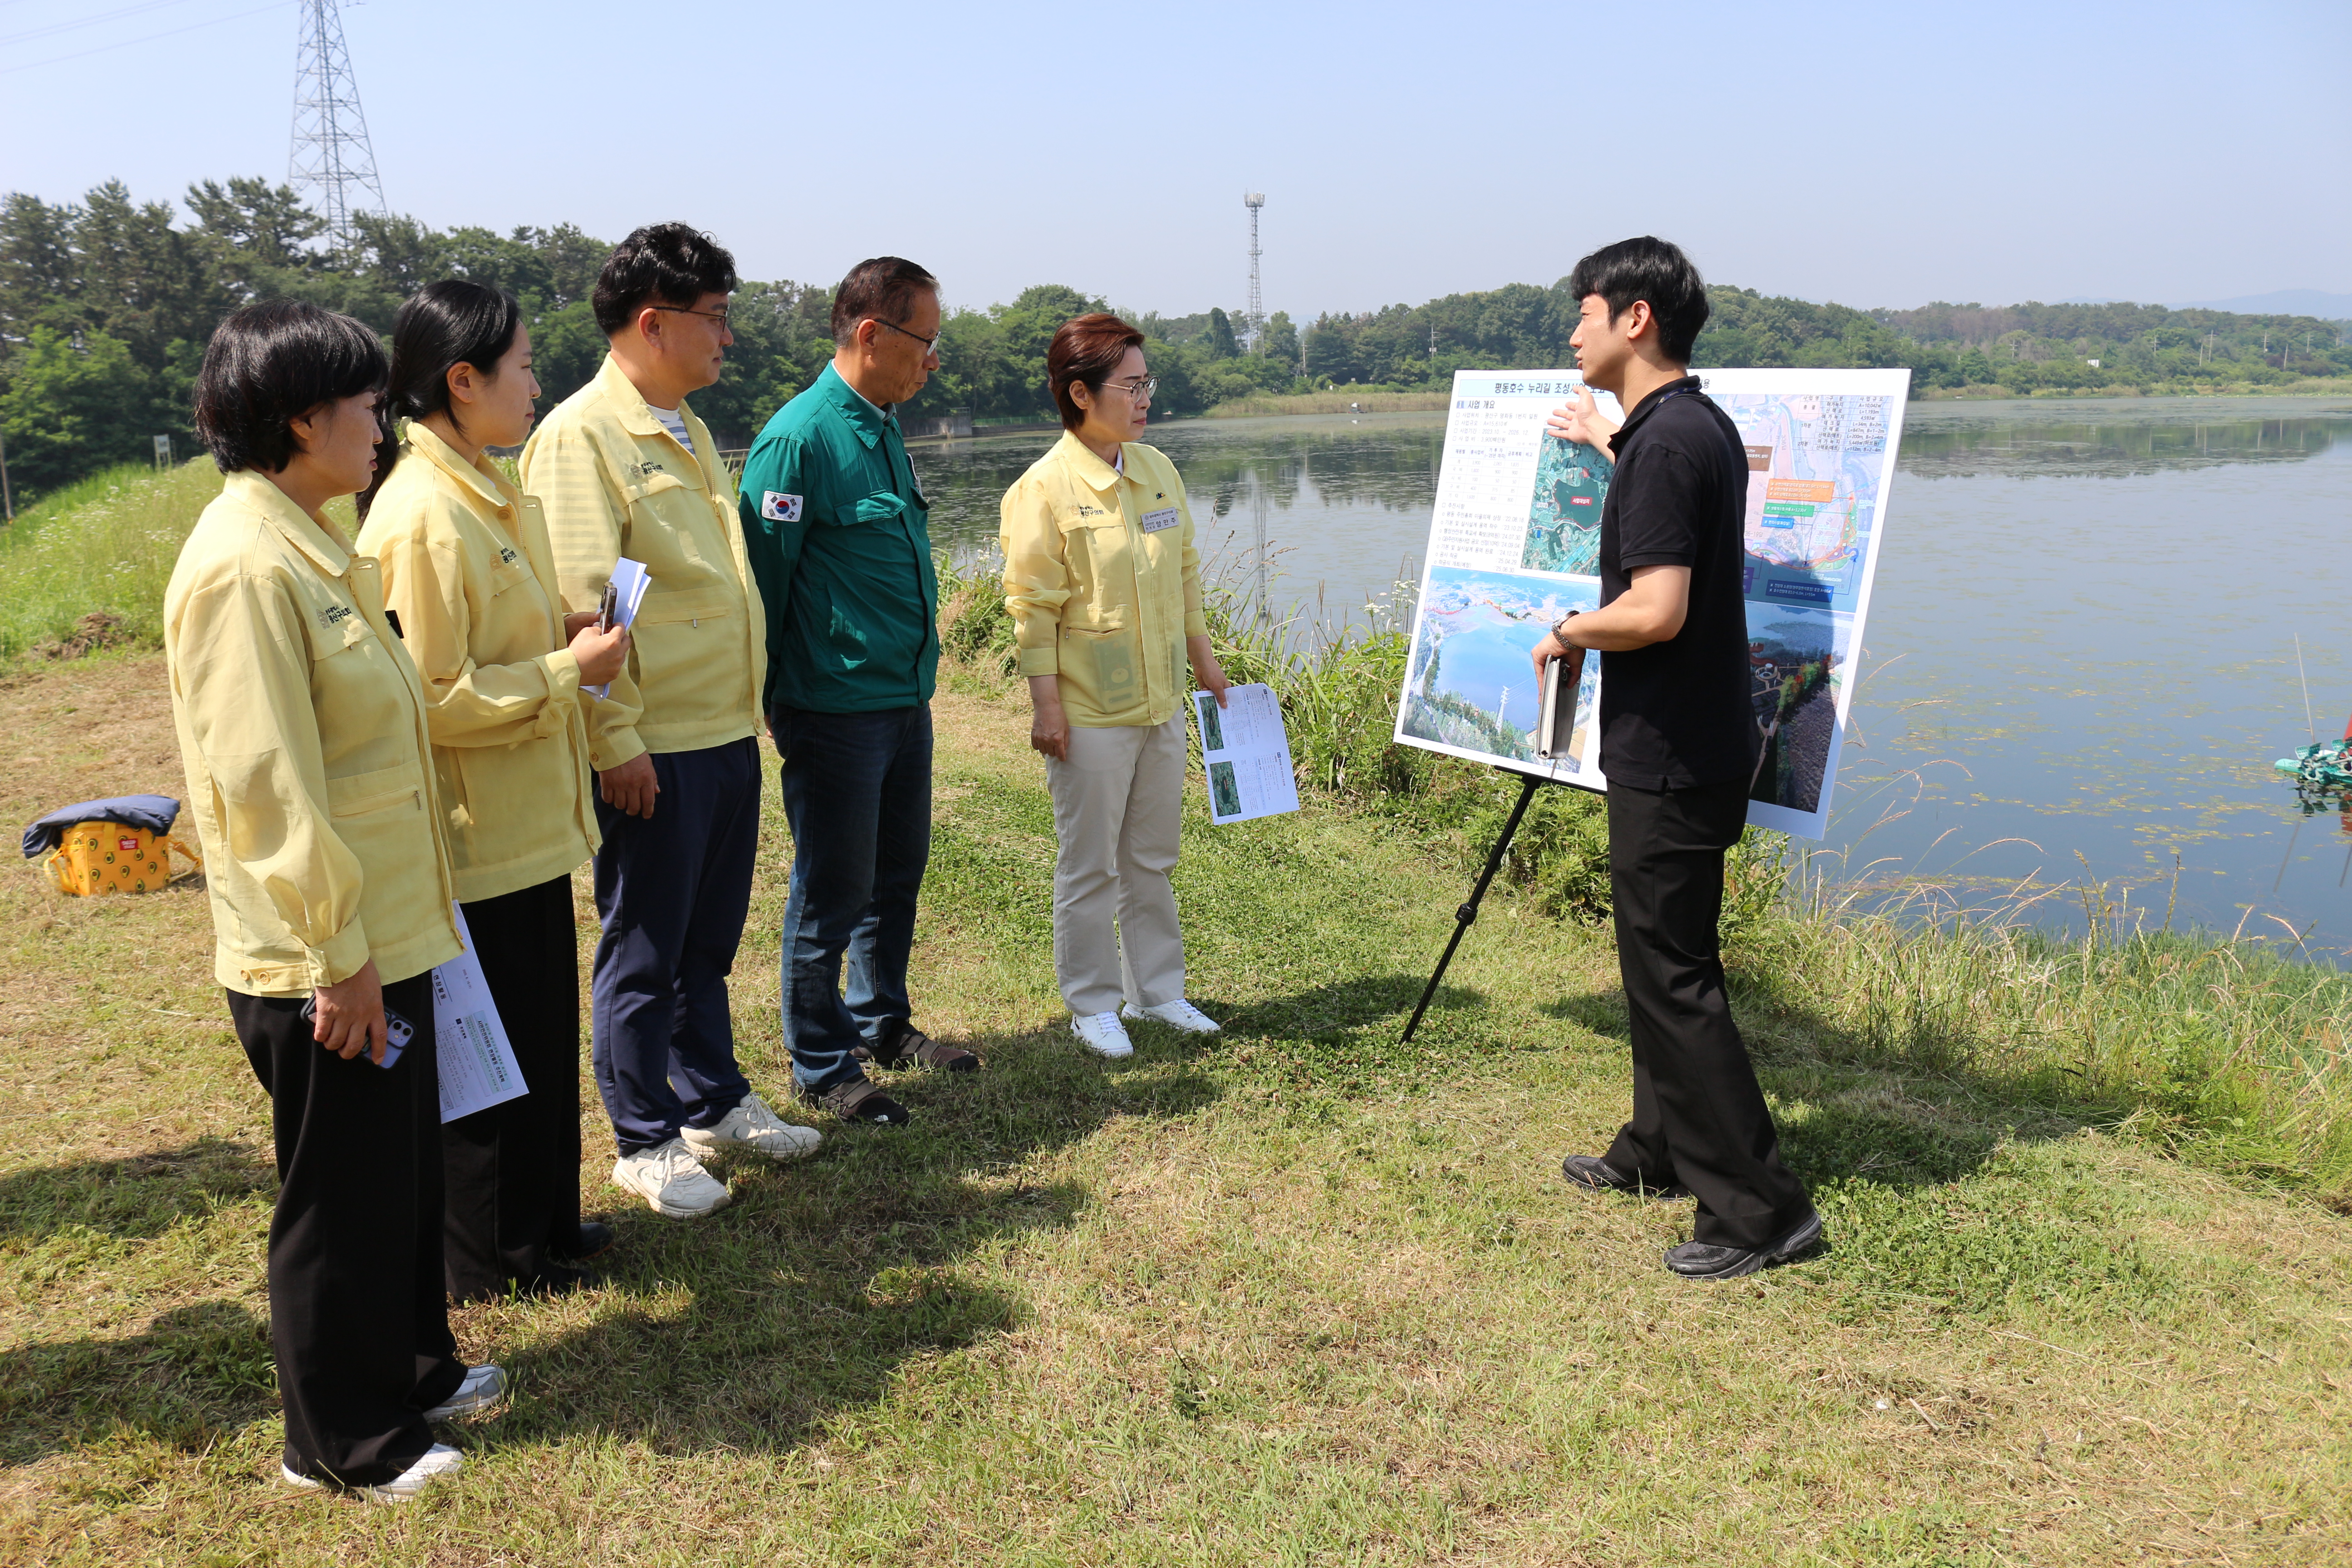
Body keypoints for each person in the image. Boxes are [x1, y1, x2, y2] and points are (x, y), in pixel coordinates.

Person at [167, 299, 498, 1499]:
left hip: (387, 925)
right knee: (339, 1199)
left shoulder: (319, 541)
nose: (383, 426)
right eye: (365, 407)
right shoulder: (245, 565)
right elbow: (264, 791)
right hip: (326, 951)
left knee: (397, 1176)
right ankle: (340, 1442)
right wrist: (337, 955)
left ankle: (412, 1367)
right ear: (300, 420)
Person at [1524, 236, 1821, 1281]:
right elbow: (1665, 523)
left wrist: (1569, 627)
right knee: (1663, 963)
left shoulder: (1663, 442)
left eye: (1586, 312)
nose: (1574, 333)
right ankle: (1658, 1148)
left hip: (1668, 752)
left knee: (1673, 975)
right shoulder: (1688, 428)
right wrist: (1611, 447)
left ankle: (1761, 1211)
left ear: (1634, 320)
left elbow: (1655, 609)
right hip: (1700, 743)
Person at [523, 223, 818, 1221]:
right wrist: (616, 742)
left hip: (723, 730)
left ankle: (713, 1099)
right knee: (644, 946)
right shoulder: (579, 438)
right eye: (716, 320)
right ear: (654, 324)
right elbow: (582, 610)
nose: (727, 340)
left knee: (706, 940)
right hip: (655, 745)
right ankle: (641, 1136)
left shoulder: (686, 427)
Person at [355, 280, 631, 1298]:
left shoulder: (488, 486)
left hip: (526, 820)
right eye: (520, 367)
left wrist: (565, 647)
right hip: (474, 836)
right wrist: (569, 673)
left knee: (538, 1040)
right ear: (460, 382)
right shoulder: (424, 515)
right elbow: (426, 700)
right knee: (486, 1058)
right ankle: (495, 1257)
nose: (535, 384)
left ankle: (549, 1221)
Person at [736, 256, 982, 1127]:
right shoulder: (798, 440)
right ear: (872, 335)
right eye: (926, 341)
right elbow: (764, 586)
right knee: (832, 887)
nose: (933, 362)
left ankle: (882, 1022)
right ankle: (820, 1059)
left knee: (894, 875)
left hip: (900, 698)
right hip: (834, 706)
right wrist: (775, 699)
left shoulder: (878, 426)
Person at [999, 314, 1230, 1058]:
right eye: (1130, 385)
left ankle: (1158, 992)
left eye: (1145, 383)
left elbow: (1185, 571)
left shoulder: (1155, 468)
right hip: (1090, 711)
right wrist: (1047, 706)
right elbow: (1031, 610)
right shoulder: (1044, 489)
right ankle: (1093, 1002)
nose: (1144, 398)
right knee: (1090, 861)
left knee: (1152, 857)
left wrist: (1202, 657)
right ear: (1080, 393)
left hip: (1159, 701)